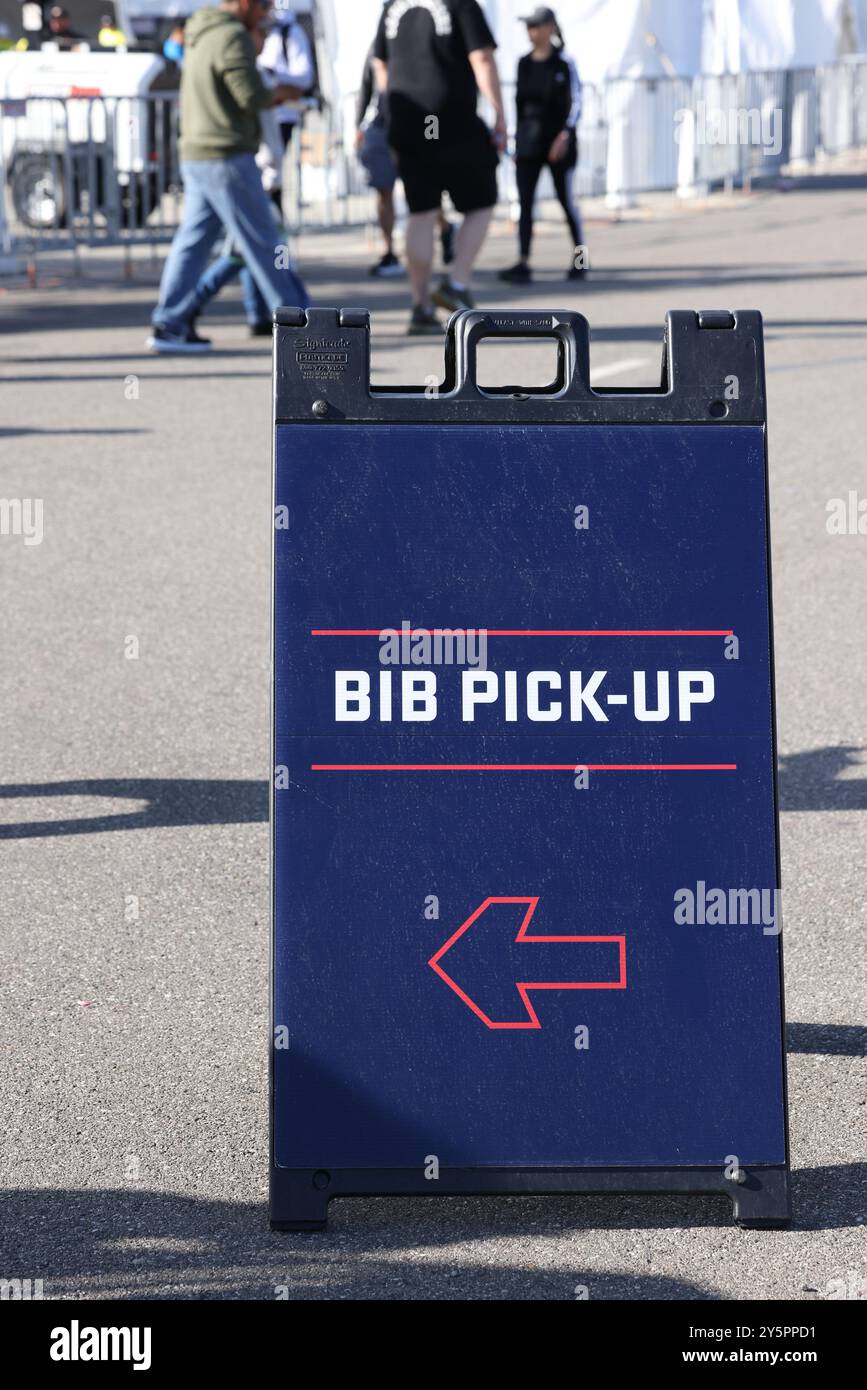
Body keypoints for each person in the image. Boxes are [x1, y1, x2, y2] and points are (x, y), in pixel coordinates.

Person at [147, 0, 308, 354]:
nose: (265, 13)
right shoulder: (232, 35)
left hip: (198, 152)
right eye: (263, 5)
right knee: (265, 242)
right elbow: (250, 95)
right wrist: (282, 92)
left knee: (194, 243)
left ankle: (169, 323)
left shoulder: (200, 30)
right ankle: (302, 330)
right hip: (226, 153)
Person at [372, 0, 506, 335]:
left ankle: (420, 305)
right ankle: (457, 283)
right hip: (452, 117)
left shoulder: (393, 6)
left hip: (407, 120)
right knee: (482, 201)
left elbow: (380, 64)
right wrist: (500, 116)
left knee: (421, 213)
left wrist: (391, 110)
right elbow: (482, 58)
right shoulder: (461, 3)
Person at [498, 6, 585, 285]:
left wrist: (565, 134)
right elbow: (520, 106)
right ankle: (523, 261)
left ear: (550, 27)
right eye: (529, 27)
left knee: (566, 201)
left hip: (558, 143)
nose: (532, 32)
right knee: (525, 203)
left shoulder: (564, 63)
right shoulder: (523, 63)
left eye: (536, 26)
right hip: (529, 144)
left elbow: (577, 101)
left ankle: (580, 259)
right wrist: (515, 142)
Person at [355, 43, 456, 280]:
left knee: (423, 195)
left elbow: (437, 88)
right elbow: (365, 86)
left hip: (417, 128)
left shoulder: (420, 43)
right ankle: (390, 251)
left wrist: (435, 132)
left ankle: (445, 228)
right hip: (384, 129)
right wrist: (357, 125)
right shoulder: (376, 48)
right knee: (384, 191)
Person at [258, 7, 314, 153]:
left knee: (271, 162)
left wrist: (270, 74)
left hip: (282, 115)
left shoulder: (290, 32)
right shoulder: (254, 28)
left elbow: (305, 78)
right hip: (258, 114)